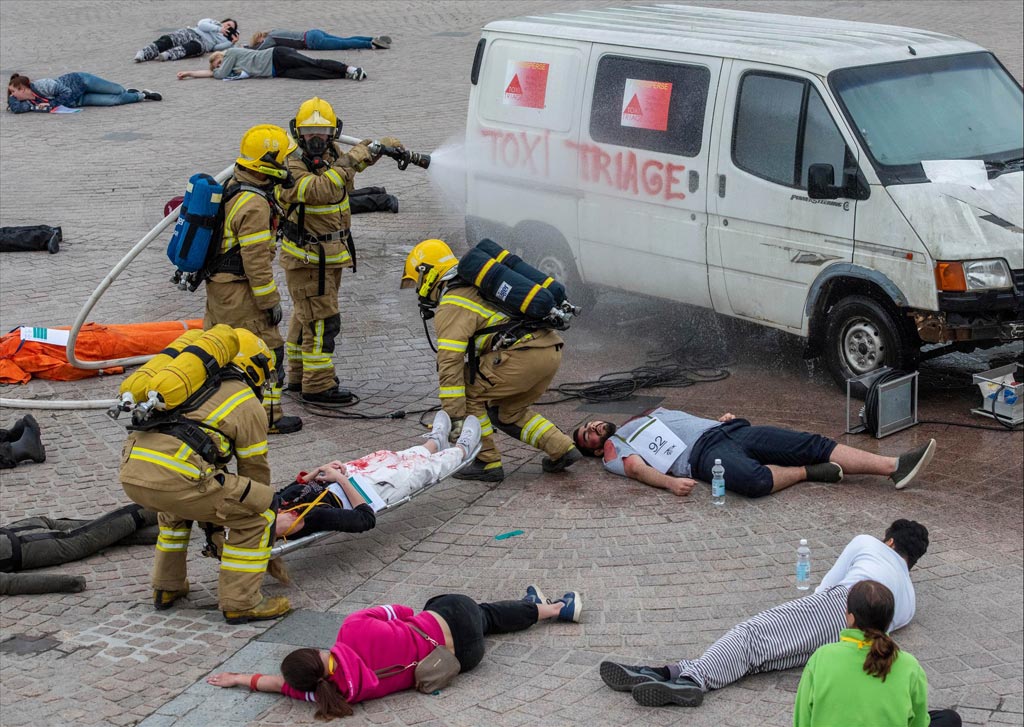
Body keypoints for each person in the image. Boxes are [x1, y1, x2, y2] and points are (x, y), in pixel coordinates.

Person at [599, 520, 930, 708]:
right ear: (912, 562)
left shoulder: (868, 544)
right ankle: (670, 675)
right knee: (763, 658)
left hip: (841, 606)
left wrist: (801, 611)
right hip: (849, 637)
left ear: (888, 541)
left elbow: (826, 585)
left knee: (753, 636)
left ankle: (687, 678)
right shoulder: (910, 600)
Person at [119, 328, 291, 625]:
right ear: (254, 366)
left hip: (133, 472)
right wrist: (249, 513)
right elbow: (254, 470)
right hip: (177, 478)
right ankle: (242, 602)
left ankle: (166, 587)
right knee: (258, 512)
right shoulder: (245, 401)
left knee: (176, 511)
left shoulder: (187, 385)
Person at [206, 585, 582, 717]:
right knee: (457, 606)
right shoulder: (351, 628)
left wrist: (241, 679)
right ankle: (549, 609)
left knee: (482, 622)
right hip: (452, 624)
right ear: (317, 651)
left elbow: (281, 686)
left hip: (462, 662)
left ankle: (533, 606)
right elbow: (401, 612)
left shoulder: (340, 693)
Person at [400, 239, 582, 482]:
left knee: (468, 389)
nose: (418, 289)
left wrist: (454, 416)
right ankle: (561, 448)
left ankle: (486, 461)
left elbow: (450, 362)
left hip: (522, 356)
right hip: (549, 350)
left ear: (428, 273)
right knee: (508, 411)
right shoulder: (479, 285)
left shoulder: (453, 302)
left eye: (418, 281)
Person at [272, 98, 395, 404]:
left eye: (323, 132)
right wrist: (356, 157)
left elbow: (348, 170)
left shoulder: (331, 154)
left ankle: (300, 377)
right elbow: (320, 189)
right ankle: (318, 384)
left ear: (334, 132)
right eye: (310, 132)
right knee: (322, 321)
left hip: (327, 255)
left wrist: (379, 149)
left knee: (306, 317)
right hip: (308, 258)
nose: (317, 139)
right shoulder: (289, 165)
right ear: (298, 132)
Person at [574, 408, 936, 497]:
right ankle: (810, 472)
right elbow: (636, 468)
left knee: (811, 443)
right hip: (702, 458)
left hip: (729, 430)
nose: (592, 430)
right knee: (754, 481)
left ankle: (894, 466)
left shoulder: (650, 414)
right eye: (585, 436)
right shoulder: (613, 449)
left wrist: (724, 418)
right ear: (593, 451)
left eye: (590, 425)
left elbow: (689, 421)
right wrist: (670, 486)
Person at [202, 124, 302, 435]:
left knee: (220, 350)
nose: (286, 166)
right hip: (241, 294)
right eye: (282, 160)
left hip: (220, 289)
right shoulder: (255, 205)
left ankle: (216, 410)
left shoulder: (236, 185)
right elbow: (256, 263)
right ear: (266, 164)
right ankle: (267, 418)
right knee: (267, 352)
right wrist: (270, 303)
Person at [275, 412, 482, 538]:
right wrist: (340, 480)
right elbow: (365, 519)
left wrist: (318, 471)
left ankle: (435, 443)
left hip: (341, 478)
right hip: (365, 492)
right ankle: (462, 450)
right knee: (417, 471)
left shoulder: (276, 506)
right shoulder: (314, 517)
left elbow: (288, 489)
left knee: (389, 456)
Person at [793, 580, 963, 727]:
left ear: (851, 617)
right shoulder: (908, 664)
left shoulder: (822, 657)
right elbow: (918, 723)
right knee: (949, 719)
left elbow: (802, 720)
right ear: (889, 621)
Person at [176, 47, 366, 82]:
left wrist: (218, 71)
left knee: (313, 63)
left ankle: (349, 68)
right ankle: (342, 75)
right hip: (276, 71)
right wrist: (190, 73)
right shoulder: (228, 64)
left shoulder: (231, 54)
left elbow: (218, 74)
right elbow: (213, 73)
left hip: (276, 56)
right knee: (311, 74)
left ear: (220, 57)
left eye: (218, 63)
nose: (220, 67)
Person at [7, 72, 160, 113]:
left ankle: (129, 91)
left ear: (22, 89)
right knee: (113, 101)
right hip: (79, 100)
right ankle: (143, 95)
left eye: (14, 91)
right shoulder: (26, 101)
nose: (13, 95)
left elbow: (65, 92)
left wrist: (51, 105)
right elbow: (15, 108)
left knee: (117, 90)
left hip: (82, 81)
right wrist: (12, 99)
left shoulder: (42, 85)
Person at [134, 18, 238, 62]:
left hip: (203, 43)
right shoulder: (213, 22)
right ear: (223, 22)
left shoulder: (224, 39)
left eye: (231, 28)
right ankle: (144, 53)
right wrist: (219, 29)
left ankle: (167, 55)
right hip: (191, 32)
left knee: (192, 48)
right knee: (168, 40)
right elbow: (201, 25)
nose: (228, 27)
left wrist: (231, 42)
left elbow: (215, 48)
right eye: (228, 24)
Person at [249, 29, 392, 51]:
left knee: (343, 44)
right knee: (344, 39)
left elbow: (260, 50)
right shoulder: (275, 31)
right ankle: (373, 38)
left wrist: (248, 48)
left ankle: (370, 44)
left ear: (261, 37)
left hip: (311, 42)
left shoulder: (270, 38)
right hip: (312, 33)